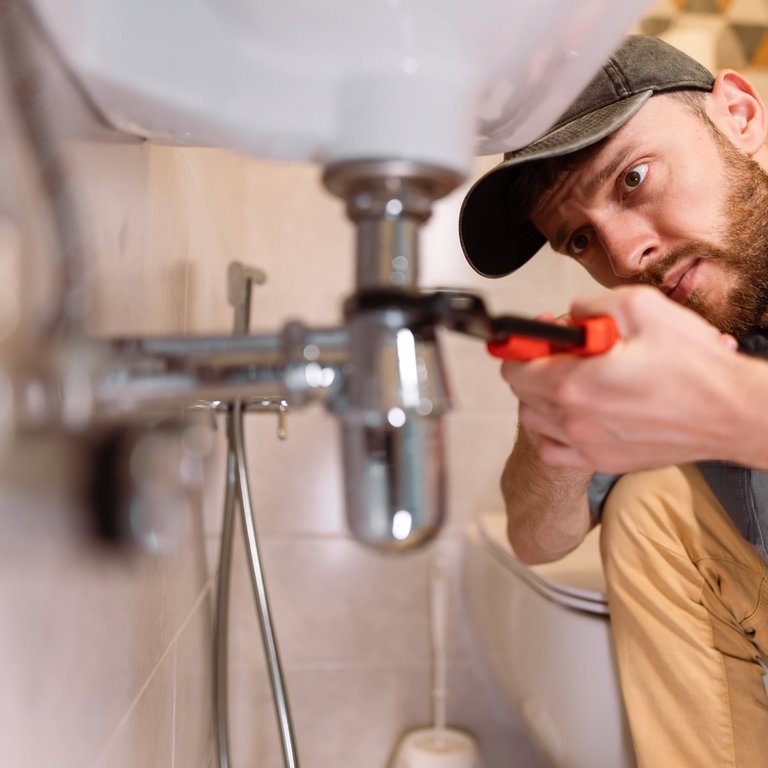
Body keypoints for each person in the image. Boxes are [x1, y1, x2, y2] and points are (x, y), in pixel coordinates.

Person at [459, 34, 768, 767]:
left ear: (740, 114)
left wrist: (727, 406)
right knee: (651, 504)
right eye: (579, 240)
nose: (623, 255)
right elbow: (537, 538)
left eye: (632, 179)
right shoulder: (676, 329)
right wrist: (553, 433)